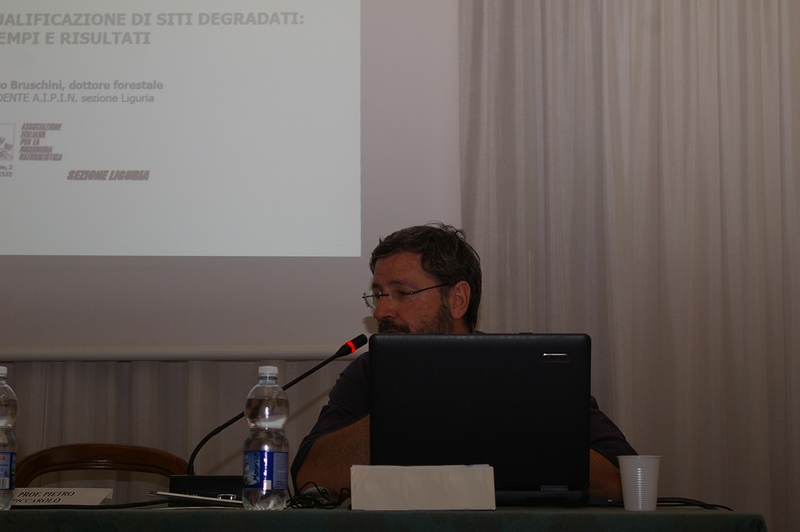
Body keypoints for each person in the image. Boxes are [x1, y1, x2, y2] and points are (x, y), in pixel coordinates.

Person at [291, 223, 635, 498]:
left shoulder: (526, 369)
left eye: (402, 293)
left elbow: (622, 482)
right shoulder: (369, 372)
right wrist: (409, 406)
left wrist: (511, 418)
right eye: (378, 294)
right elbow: (310, 479)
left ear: (457, 299)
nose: (381, 310)